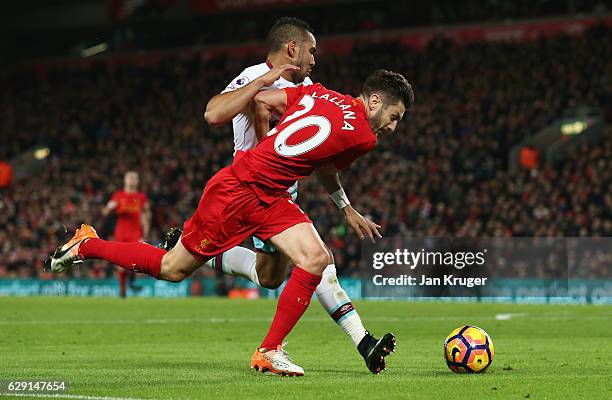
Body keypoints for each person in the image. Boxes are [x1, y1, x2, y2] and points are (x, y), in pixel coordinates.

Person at [46, 69, 414, 376]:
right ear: (374, 101)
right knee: (172, 269)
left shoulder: (317, 93)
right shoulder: (364, 137)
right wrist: (338, 202)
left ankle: (269, 350)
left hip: (271, 194)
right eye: (394, 117)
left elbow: (264, 102)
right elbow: (327, 164)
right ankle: (87, 245)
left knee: (314, 260)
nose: (393, 129)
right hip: (239, 192)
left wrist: (272, 147)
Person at [196, 16, 393, 374]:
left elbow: (322, 158)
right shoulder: (252, 76)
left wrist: (345, 207)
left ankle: (199, 251)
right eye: (311, 51)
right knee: (319, 262)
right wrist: (266, 141)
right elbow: (217, 112)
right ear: (293, 48)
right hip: (257, 187)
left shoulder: (309, 86)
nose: (315, 60)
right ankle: (362, 343)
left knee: (271, 275)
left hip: (283, 190)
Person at [102, 171, 151, 298]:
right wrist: (110, 207)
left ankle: (132, 280)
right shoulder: (118, 196)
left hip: (136, 234)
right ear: (125, 180)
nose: (132, 180)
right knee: (121, 265)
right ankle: (123, 291)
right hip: (121, 234)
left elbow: (146, 213)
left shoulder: (141, 197)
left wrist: (145, 230)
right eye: (130, 178)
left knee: (137, 260)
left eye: (135, 178)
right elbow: (105, 212)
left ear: (137, 181)